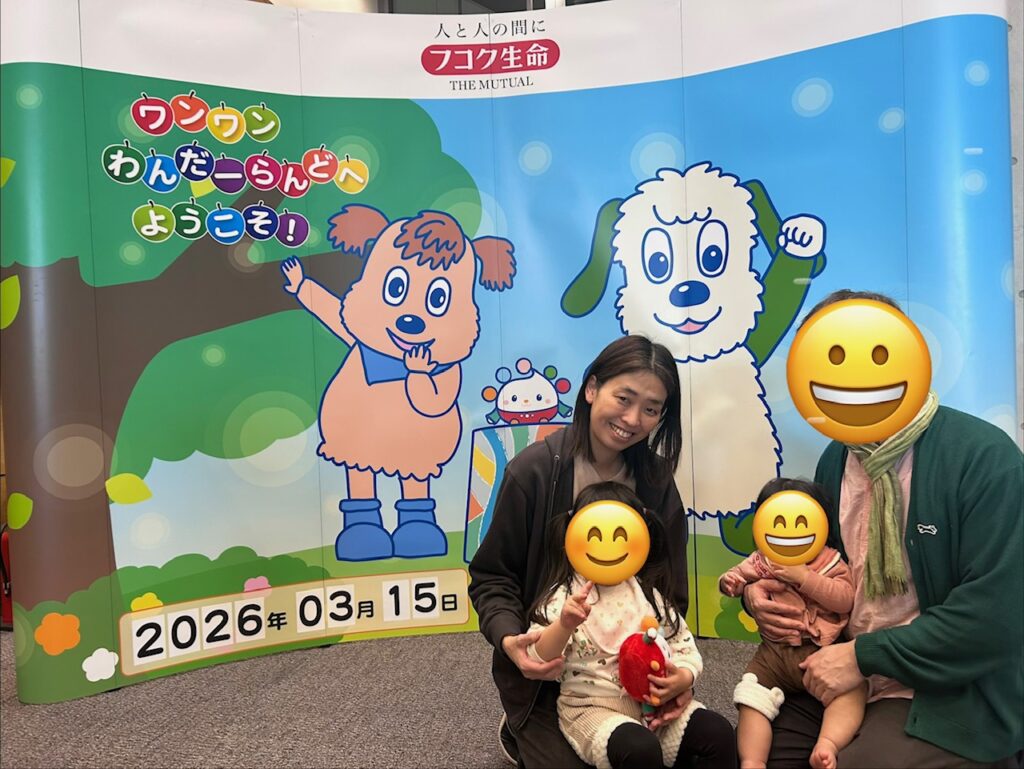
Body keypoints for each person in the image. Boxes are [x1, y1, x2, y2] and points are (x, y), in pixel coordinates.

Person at [745, 289, 1023, 768]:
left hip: (943, 687)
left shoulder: (985, 459)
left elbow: (996, 614)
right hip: (845, 667)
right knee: (758, 751)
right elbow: (823, 566)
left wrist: (864, 657)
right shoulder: (837, 457)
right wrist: (761, 594)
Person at [469, 335, 691, 769]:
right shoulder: (533, 471)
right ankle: (518, 727)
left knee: (691, 748)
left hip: (627, 670)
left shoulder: (656, 483)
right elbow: (493, 577)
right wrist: (511, 642)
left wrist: (675, 671)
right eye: (623, 398)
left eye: (651, 409)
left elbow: (671, 589)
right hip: (551, 671)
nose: (633, 419)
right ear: (592, 389)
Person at [528, 480, 737, 769]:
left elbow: (682, 644)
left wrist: (683, 679)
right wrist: (563, 625)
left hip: (654, 708)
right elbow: (537, 657)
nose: (608, 546)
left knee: (718, 732)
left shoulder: (648, 595)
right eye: (595, 535)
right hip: (592, 710)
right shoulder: (564, 597)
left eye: (620, 535)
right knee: (639, 749)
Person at [719, 478, 862, 769]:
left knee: (852, 692)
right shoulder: (763, 560)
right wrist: (730, 582)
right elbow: (736, 575)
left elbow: (845, 599)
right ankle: (752, 760)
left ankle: (828, 743)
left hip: (821, 651)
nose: (789, 531)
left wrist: (804, 578)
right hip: (774, 655)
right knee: (751, 696)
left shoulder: (829, 561)